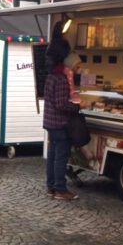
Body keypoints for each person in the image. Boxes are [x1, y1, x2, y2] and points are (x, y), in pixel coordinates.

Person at [43, 58, 84, 200]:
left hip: (50, 122)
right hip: (59, 124)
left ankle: (51, 187)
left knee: (52, 156)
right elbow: (61, 104)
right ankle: (60, 189)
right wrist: (77, 106)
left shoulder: (50, 76)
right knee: (60, 158)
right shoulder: (61, 79)